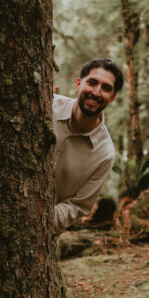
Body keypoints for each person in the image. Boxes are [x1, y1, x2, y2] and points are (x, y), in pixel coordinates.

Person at [52, 58, 123, 235]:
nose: (97, 92)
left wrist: (36, 221)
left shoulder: (104, 154)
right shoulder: (47, 106)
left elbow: (78, 206)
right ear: (78, 84)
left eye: (106, 88)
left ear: (112, 97)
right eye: (92, 83)